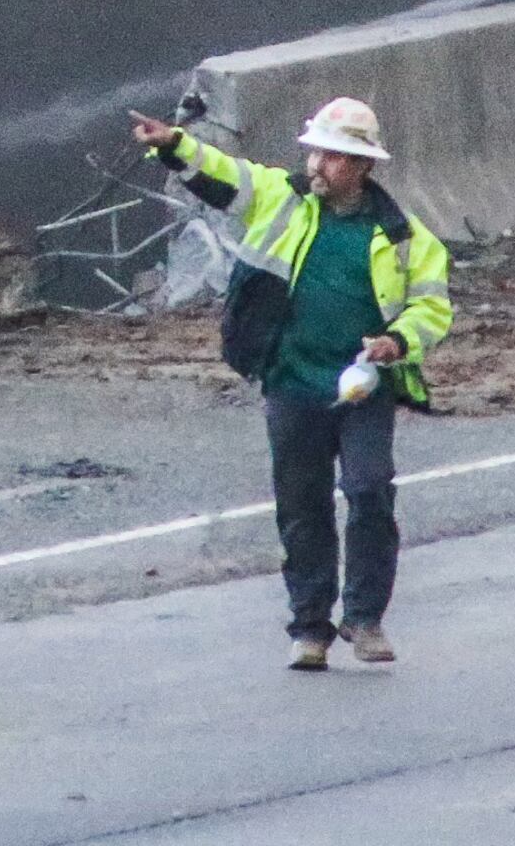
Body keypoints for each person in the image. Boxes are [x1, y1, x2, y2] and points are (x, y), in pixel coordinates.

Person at [130, 96, 451, 671]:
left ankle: (365, 618)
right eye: (316, 153)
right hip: (291, 383)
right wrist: (175, 145)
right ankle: (310, 629)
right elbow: (225, 175)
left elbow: (432, 308)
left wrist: (397, 342)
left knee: (370, 492)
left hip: (363, 389)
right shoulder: (281, 200)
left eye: (332, 157)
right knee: (302, 508)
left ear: (362, 166)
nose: (318, 166)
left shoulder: (405, 237)